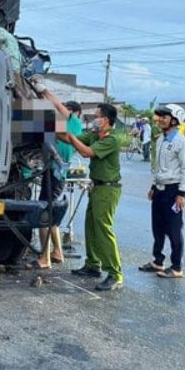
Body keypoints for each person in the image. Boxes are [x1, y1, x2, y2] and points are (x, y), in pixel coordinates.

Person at [58, 103, 124, 291]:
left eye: (97, 115)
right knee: (91, 227)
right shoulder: (96, 135)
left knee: (103, 229)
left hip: (108, 189)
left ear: (106, 119)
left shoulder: (112, 139)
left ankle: (115, 273)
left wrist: (70, 136)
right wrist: (48, 129)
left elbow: (87, 152)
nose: (93, 118)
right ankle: (93, 265)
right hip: (97, 187)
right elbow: (71, 140)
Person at [29, 80, 84, 269]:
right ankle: (57, 252)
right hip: (55, 172)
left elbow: (56, 103)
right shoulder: (67, 127)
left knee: (44, 213)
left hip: (56, 173)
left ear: (75, 114)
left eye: (66, 111)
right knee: (52, 213)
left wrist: (42, 89)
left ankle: (45, 258)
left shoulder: (74, 124)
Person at [139, 103, 185, 279]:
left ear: (175, 120)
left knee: (174, 229)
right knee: (158, 227)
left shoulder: (181, 142)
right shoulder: (161, 139)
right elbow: (158, 166)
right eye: (159, 116)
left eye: (164, 116)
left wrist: (182, 193)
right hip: (160, 190)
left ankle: (176, 267)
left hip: (173, 190)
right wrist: (154, 186)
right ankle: (157, 261)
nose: (160, 119)